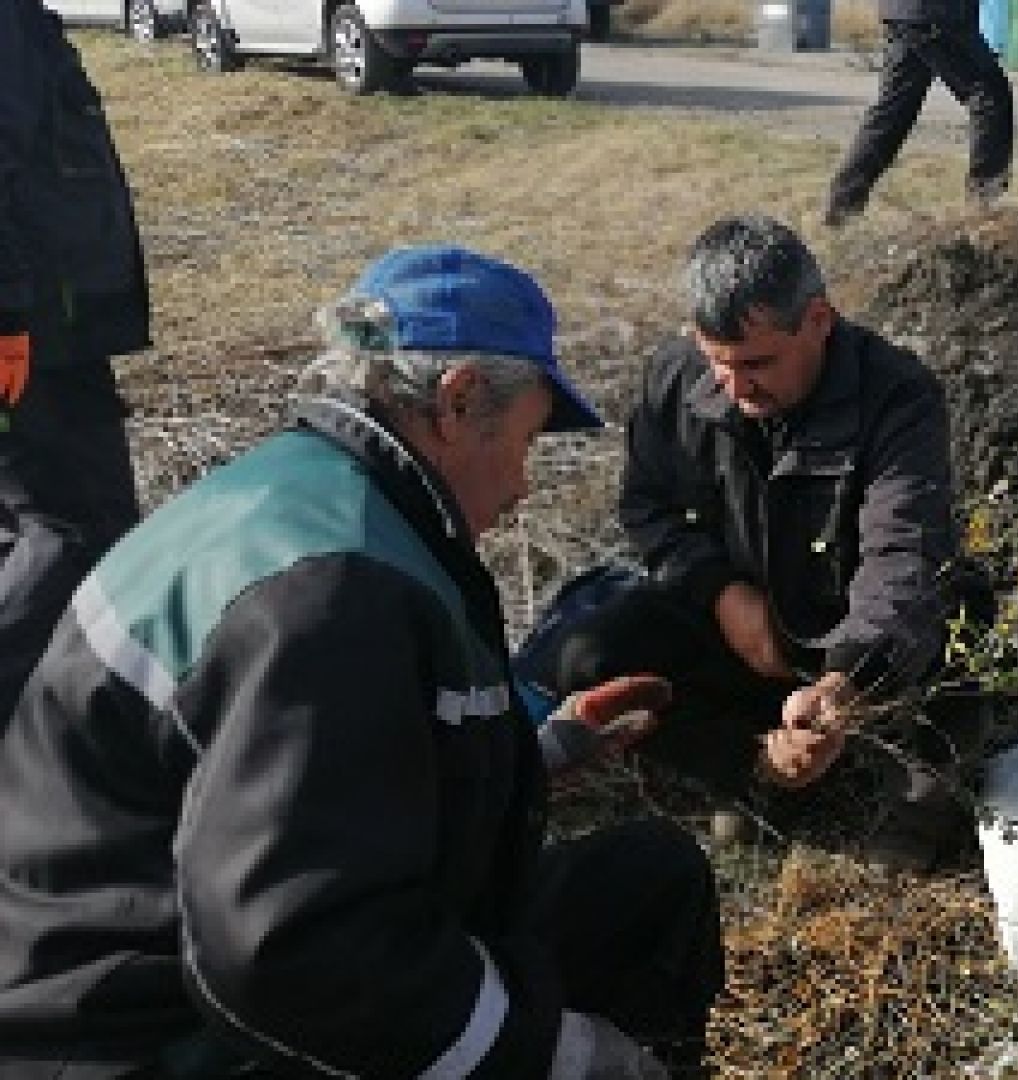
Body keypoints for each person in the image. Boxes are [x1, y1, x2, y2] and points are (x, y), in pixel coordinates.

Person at [0, 247, 722, 1079]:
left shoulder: (290, 495)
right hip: (151, 1039)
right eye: (525, 442)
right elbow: (298, 957)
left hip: (163, 957)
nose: (523, 487)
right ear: (458, 403)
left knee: (645, 881)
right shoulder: (335, 598)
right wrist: (568, 1054)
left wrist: (536, 750)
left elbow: (316, 778)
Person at [539, 215, 983, 873]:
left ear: (819, 321)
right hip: (746, 631)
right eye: (719, 364)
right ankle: (756, 771)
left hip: (853, 634)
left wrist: (845, 681)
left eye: (758, 363)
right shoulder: (674, 379)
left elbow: (902, 556)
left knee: (957, 608)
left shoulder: (897, 397)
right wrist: (721, 593)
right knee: (588, 654)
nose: (738, 387)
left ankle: (916, 803)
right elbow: (648, 508)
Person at [0, 0, 152, 721]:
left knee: (36, 528)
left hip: (48, 327)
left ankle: (54, 718)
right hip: (36, 335)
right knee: (70, 529)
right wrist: (6, 318)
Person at [823, 0, 1014, 227]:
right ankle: (984, 207)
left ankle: (841, 208)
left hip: (908, 12)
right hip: (937, 14)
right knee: (990, 96)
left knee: (893, 111)